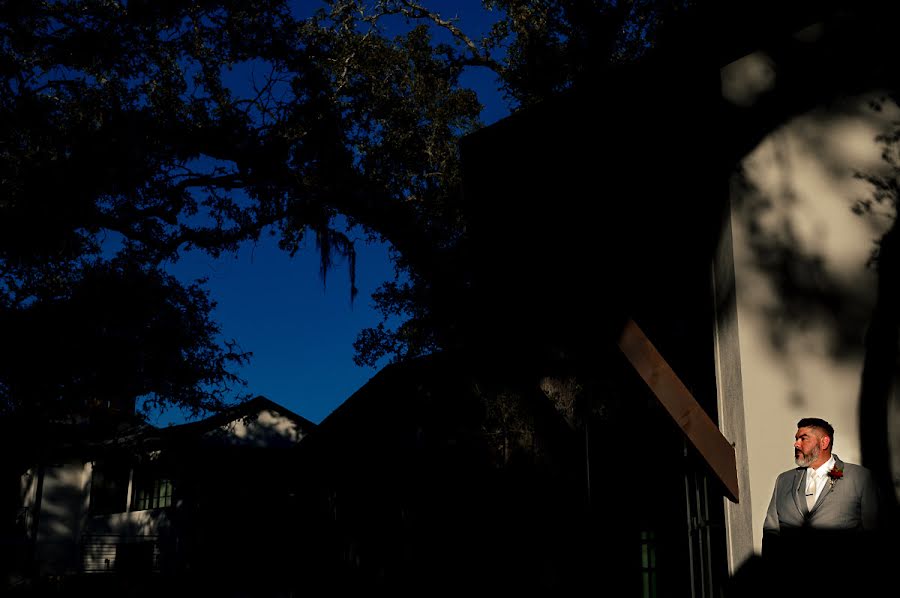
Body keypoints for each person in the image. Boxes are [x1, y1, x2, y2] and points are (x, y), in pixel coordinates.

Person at [760, 417, 883, 592]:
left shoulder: (859, 477)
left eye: (803, 438)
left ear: (824, 442)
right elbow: (771, 533)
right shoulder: (784, 480)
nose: (796, 444)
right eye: (796, 439)